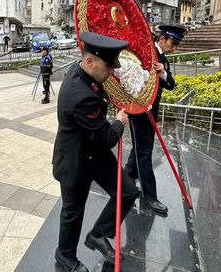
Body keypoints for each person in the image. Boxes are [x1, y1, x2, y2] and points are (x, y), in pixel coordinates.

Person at [52, 32, 139, 271]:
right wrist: (120, 121)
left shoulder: (83, 72)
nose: (111, 71)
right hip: (75, 160)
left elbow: (101, 93)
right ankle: (65, 256)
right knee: (73, 211)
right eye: (107, 66)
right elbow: (107, 137)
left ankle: (99, 234)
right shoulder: (81, 96)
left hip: (94, 154)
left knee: (128, 192)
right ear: (90, 61)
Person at [125, 24, 185, 216]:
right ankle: (149, 196)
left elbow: (171, 85)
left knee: (138, 148)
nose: (174, 48)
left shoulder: (163, 60)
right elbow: (131, 80)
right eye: (172, 43)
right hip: (140, 111)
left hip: (152, 112)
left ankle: (126, 179)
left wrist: (163, 73)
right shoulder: (145, 54)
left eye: (176, 44)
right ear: (162, 39)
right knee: (144, 151)